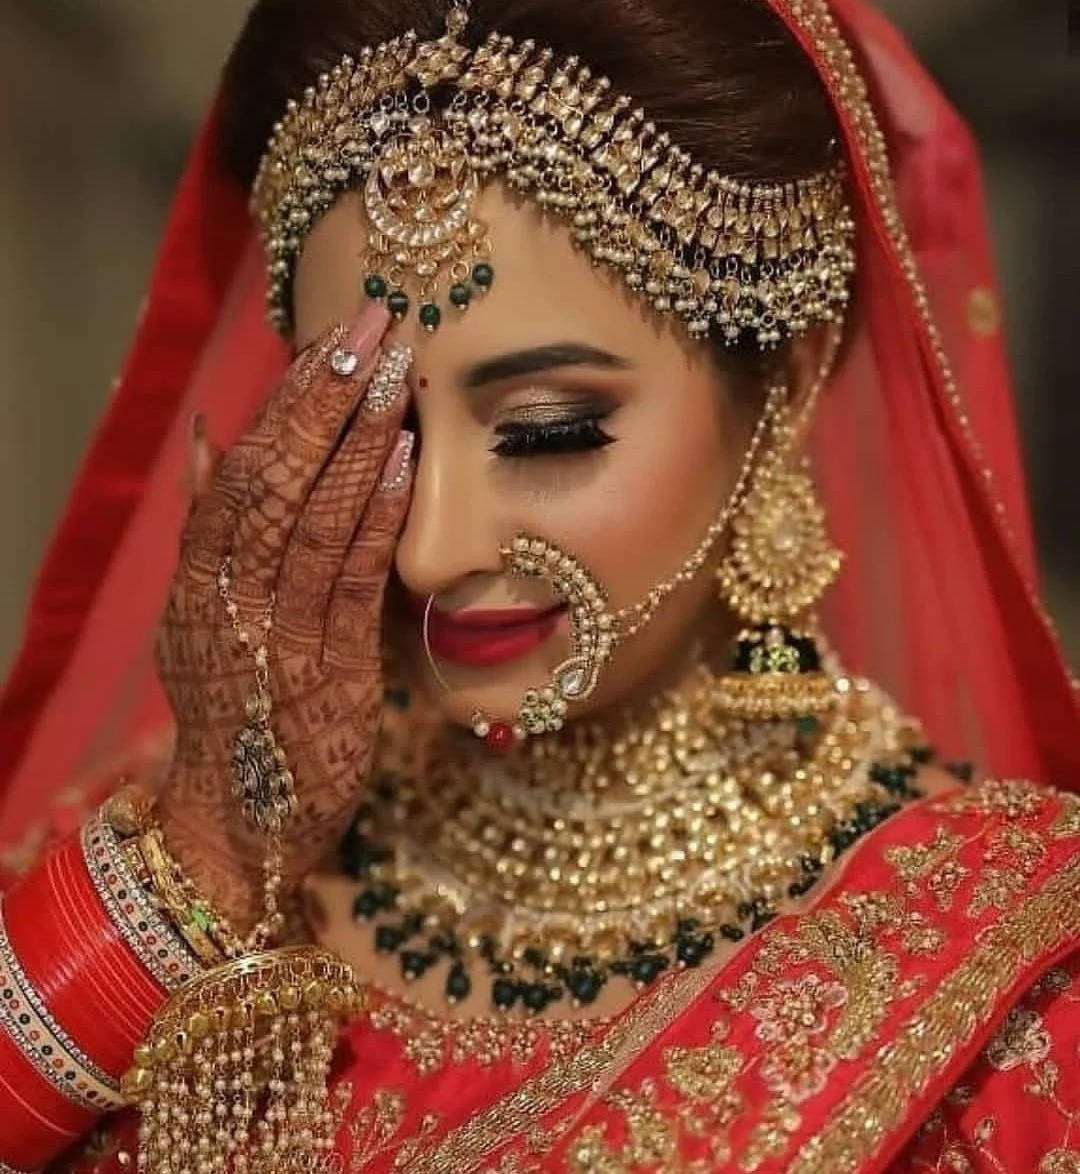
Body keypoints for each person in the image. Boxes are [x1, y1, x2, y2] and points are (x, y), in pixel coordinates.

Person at [0, 0, 1077, 1169]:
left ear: (789, 374)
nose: (431, 549)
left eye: (549, 431)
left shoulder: (1005, 986)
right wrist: (208, 858)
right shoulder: (176, 849)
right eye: (368, 432)